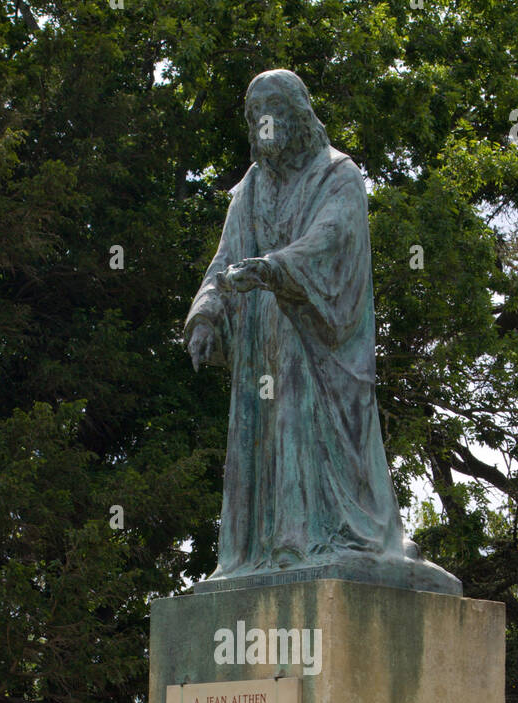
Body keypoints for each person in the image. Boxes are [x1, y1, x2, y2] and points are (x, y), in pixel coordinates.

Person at [185, 68, 459, 595]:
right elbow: (222, 261)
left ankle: (326, 542)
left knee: (315, 437)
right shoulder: (247, 190)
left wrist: (274, 268)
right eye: (253, 114)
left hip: (315, 340)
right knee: (268, 439)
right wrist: (205, 313)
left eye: (271, 110)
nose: (262, 123)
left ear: (295, 114)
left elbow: (332, 239)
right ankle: (264, 554)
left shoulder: (337, 174)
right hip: (261, 348)